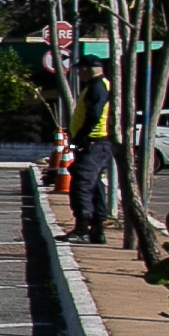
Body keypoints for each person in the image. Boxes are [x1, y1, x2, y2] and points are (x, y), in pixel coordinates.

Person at [68, 69, 118, 243]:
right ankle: (97, 230)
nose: (79, 74)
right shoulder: (99, 85)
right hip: (95, 143)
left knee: (81, 184)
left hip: (93, 143)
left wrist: (80, 139)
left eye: (80, 70)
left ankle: (82, 229)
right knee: (95, 186)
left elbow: (94, 114)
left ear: (87, 69)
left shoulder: (97, 87)